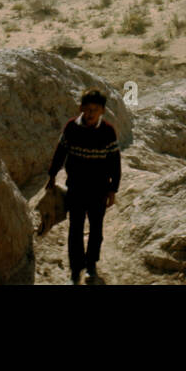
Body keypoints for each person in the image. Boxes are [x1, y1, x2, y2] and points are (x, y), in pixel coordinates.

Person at [47, 88, 120, 284]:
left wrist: (113, 189)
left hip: (99, 189)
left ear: (102, 111)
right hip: (76, 188)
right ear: (80, 108)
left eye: (95, 110)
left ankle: (91, 265)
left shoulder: (107, 132)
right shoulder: (71, 128)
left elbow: (115, 162)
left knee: (96, 229)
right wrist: (52, 175)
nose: (90, 114)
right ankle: (75, 268)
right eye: (87, 109)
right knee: (75, 229)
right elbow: (60, 152)